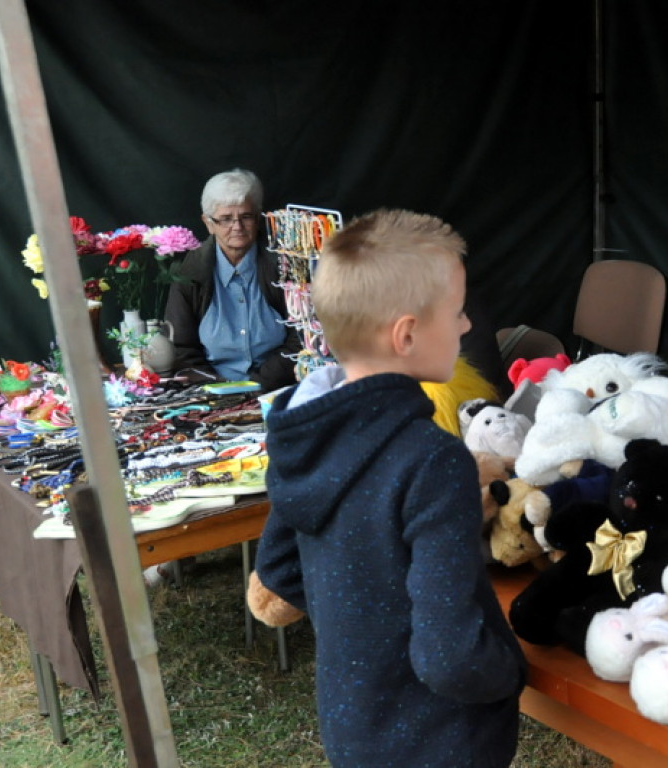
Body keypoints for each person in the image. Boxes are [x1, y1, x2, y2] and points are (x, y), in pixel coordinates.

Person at [252, 209, 527, 768]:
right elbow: (450, 655)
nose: (469, 326)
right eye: (456, 312)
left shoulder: (303, 434)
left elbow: (278, 571)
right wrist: (510, 670)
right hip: (444, 741)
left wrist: (361, 617)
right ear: (406, 335)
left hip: (353, 725)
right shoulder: (434, 460)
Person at [164, 168, 300, 391]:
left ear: (257, 218)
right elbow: (181, 348)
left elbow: (303, 336)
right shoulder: (188, 271)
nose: (237, 227)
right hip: (212, 393)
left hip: (279, 387)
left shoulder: (286, 264)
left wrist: (259, 384)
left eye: (245, 216)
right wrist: (221, 391)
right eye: (226, 219)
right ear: (208, 223)